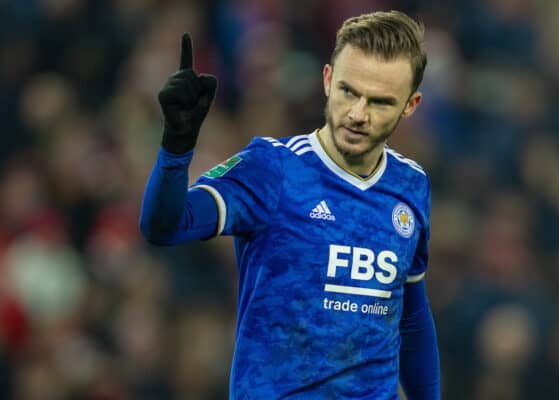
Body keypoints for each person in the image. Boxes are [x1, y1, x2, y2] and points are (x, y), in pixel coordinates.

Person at [140, 10, 441, 399]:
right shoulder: (273, 168)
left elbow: (411, 316)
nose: (358, 114)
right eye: (349, 91)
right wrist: (176, 148)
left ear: (410, 104)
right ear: (328, 79)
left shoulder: (410, 185)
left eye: (380, 102)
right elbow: (164, 226)